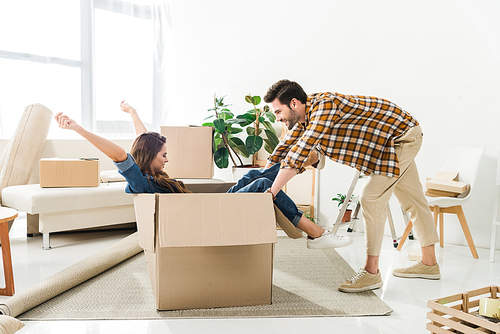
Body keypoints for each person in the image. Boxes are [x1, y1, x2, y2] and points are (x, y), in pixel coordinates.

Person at [53, 102, 352, 248]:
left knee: (255, 176)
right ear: (147, 158)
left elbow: (143, 139)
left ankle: (305, 160)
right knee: (261, 183)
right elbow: (121, 155)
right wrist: (77, 128)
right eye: (163, 154)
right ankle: (316, 232)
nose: (167, 157)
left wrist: (132, 112)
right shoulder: (141, 183)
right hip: (206, 218)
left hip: (210, 207)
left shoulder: (152, 175)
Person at [263, 79, 441, 293]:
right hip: (387, 141)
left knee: (370, 198)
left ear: (293, 103)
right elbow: (284, 149)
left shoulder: (324, 107)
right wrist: (263, 176)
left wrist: (271, 193)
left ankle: (371, 272)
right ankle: (430, 264)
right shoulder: (303, 119)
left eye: (278, 111)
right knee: (412, 199)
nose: (278, 117)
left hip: (400, 139)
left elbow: (300, 152)